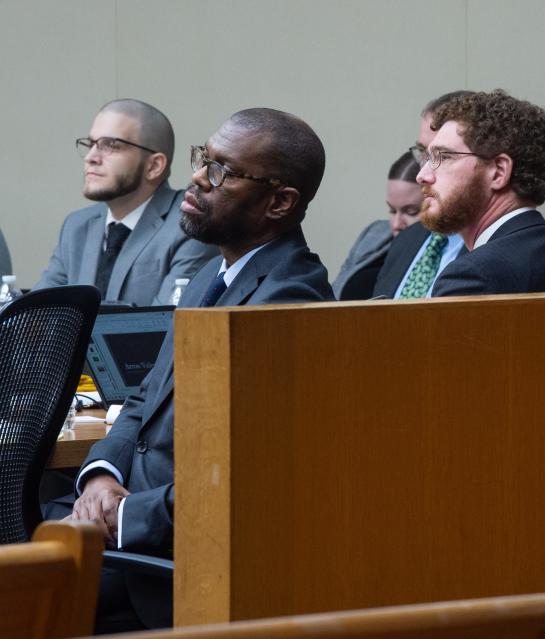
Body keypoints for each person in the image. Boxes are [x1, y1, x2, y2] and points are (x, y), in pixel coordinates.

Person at [64, 108, 335, 632]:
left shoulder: (287, 300)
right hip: (127, 530)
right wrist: (103, 473)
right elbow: (145, 397)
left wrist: (123, 519)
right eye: (202, 159)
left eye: (222, 171)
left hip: (173, 567)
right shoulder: (218, 272)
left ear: (280, 202)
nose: (197, 178)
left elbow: (254, 481)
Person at [416, 90, 545, 295]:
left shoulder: (471, 277)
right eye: (427, 158)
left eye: (443, 157)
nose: (422, 175)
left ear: (499, 172)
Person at [34, 99, 216, 305]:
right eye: (90, 144)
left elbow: (166, 325)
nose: (91, 157)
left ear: (154, 166)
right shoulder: (76, 227)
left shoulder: (189, 224)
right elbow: (36, 315)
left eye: (111, 145)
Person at [372, 91, 473, 299]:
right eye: (422, 153)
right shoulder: (406, 239)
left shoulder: (494, 248)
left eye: (440, 155)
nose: (423, 173)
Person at [333, 151, 422, 299]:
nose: (396, 224)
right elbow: (333, 292)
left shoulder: (433, 255)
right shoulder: (374, 233)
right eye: (392, 210)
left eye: (411, 212)